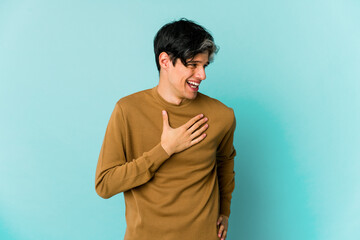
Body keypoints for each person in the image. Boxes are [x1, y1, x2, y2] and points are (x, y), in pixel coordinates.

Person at [95, 18, 236, 240]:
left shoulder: (222, 116)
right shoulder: (128, 110)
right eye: (193, 65)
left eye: (204, 66)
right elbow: (105, 184)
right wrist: (165, 149)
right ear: (165, 61)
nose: (202, 75)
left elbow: (224, 163)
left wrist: (224, 212)